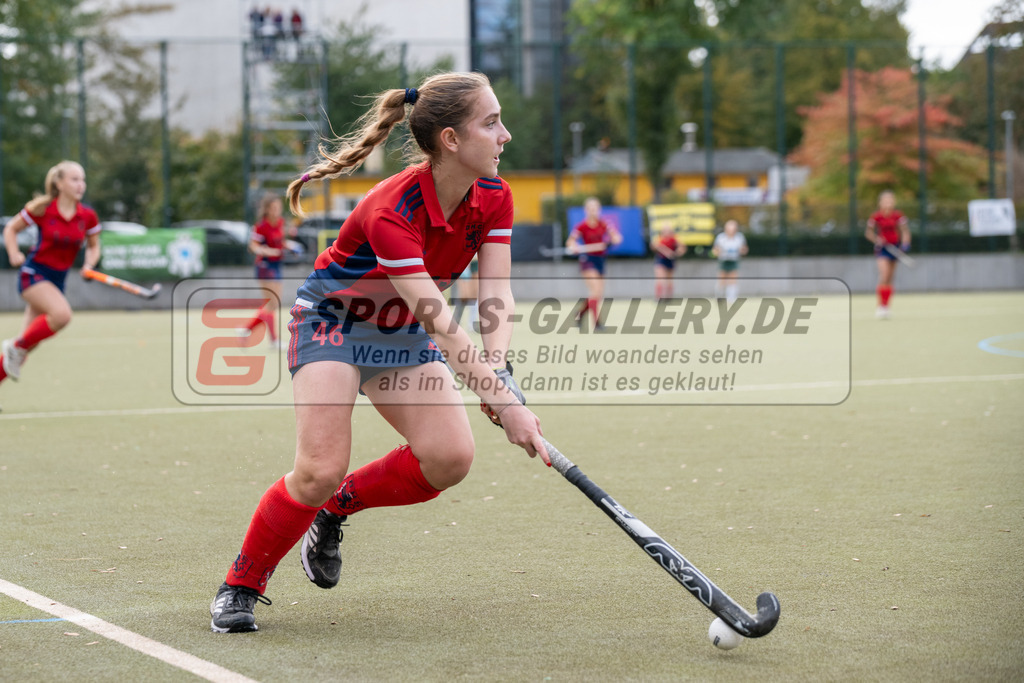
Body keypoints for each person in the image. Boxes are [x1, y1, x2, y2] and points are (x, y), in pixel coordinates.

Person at [209, 72, 549, 634]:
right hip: (334, 322)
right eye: (491, 123)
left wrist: (497, 366)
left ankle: (335, 510)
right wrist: (505, 403)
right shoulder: (391, 208)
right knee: (319, 469)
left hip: (400, 330)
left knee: (449, 459)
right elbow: (440, 323)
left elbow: (495, 292)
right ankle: (241, 584)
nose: (505, 134)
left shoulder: (495, 195)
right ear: (451, 140)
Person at [1, 161, 101, 386]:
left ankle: (16, 348)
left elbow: (94, 246)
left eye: (82, 180)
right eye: (74, 179)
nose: (81, 185)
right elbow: (11, 228)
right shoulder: (43, 209)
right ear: (59, 183)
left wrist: (89, 264)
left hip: (57, 281)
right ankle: (15, 346)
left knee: (24, 350)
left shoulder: (87, 216)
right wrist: (14, 252)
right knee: (62, 315)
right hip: (34, 274)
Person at [565, 196, 621, 330]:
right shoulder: (581, 226)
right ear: (586, 210)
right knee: (595, 291)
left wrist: (610, 241)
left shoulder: (604, 224)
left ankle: (580, 314)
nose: (593, 211)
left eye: (595, 208)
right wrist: (574, 246)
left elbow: (617, 238)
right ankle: (597, 323)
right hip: (587, 260)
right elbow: (570, 242)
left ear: (599, 210)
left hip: (600, 260)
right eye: (590, 209)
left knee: (597, 294)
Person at [240, 192, 286, 348]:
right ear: (267, 209)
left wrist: (290, 246)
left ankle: (248, 330)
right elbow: (253, 246)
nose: (276, 211)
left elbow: (280, 242)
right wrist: (268, 251)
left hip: (277, 265)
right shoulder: (261, 226)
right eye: (273, 208)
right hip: (265, 266)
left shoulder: (280, 222)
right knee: (271, 303)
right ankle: (271, 339)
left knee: (273, 304)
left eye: (278, 207)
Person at [864, 190, 911, 319]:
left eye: (890, 200)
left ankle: (886, 306)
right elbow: (868, 233)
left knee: (890, 278)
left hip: (895, 248)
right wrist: (877, 239)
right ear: (880, 202)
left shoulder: (898, 216)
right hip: (882, 249)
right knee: (884, 276)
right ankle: (880, 306)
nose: (888, 203)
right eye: (886, 201)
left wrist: (905, 244)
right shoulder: (876, 217)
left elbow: (905, 231)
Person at [711, 219, 748, 305]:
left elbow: (744, 249)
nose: (731, 230)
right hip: (723, 260)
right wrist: (717, 252)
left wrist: (742, 250)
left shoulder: (739, 237)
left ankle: (731, 298)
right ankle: (719, 296)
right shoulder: (721, 238)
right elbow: (715, 250)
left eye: (733, 228)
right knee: (721, 279)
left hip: (734, 260)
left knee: (733, 279)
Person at [650, 225, 686, 299]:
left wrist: (677, 252)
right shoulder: (659, 239)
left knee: (669, 279)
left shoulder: (674, 239)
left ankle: (668, 297)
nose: (667, 233)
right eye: (665, 231)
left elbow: (682, 248)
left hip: (670, 260)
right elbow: (653, 246)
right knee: (660, 278)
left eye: (669, 231)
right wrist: (663, 250)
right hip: (661, 260)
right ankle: (659, 297)